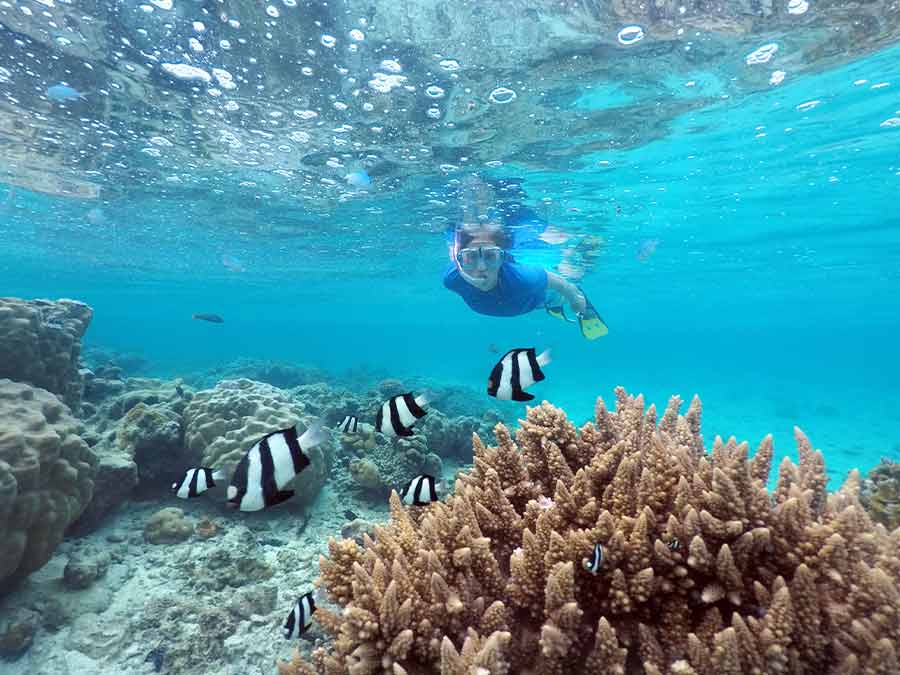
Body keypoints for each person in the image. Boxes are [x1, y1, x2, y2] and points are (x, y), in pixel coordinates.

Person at [443, 218, 609, 340]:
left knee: (568, 276)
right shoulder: (452, 278)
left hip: (538, 297)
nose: (481, 267)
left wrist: (576, 300)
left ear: (502, 258)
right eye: (470, 257)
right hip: (526, 301)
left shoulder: (525, 278)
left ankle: (556, 300)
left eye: (491, 256)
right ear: (460, 261)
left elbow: (564, 285)